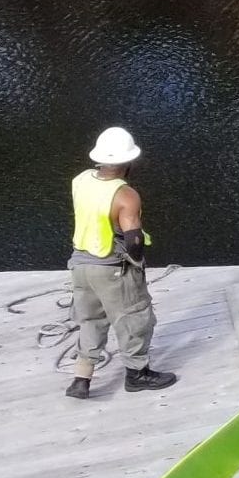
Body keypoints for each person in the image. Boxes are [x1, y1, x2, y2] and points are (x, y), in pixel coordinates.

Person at [67, 127, 178, 398]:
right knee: (135, 318)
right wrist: (137, 264)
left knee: (91, 320)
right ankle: (137, 374)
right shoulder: (126, 195)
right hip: (112, 268)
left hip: (80, 265)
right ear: (128, 162)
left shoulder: (80, 180)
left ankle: (81, 379)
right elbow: (134, 239)